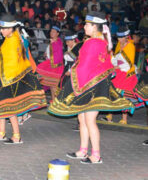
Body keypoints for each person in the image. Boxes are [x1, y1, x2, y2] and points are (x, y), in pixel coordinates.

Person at [48, 12, 134, 164]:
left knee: (89, 120)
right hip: (92, 85)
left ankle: (96, 155)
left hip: (90, 86)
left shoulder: (94, 42)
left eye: (87, 24)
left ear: (95, 27)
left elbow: (84, 66)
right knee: (82, 118)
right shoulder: (101, 42)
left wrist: (74, 81)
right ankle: (83, 150)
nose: (85, 26)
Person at [0, 14, 47, 144]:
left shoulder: (14, 40)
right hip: (4, 77)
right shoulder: (10, 38)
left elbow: (13, 62)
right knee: (1, 106)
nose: (1, 31)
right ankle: (1, 133)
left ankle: (16, 136)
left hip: (8, 79)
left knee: (10, 108)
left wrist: (6, 78)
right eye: (1, 28)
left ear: (11, 28)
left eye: (3, 28)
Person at [102, 26, 143, 124]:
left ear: (126, 37)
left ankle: (124, 119)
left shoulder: (130, 46)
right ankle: (109, 116)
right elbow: (116, 58)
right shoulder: (118, 45)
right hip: (118, 73)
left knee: (125, 96)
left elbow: (129, 63)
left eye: (121, 38)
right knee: (112, 93)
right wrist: (113, 64)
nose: (119, 40)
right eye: (118, 38)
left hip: (127, 74)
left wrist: (118, 67)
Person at [37, 25, 64, 101]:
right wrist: (46, 55)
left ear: (57, 33)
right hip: (50, 66)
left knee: (54, 86)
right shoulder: (52, 42)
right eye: (51, 31)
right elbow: (51, 54)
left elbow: (58, 56)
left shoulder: (57, 42)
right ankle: (54, 102)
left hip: (55, 67)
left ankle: (56, 103)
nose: (52, 33)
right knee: (52, 86)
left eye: (54, 32)